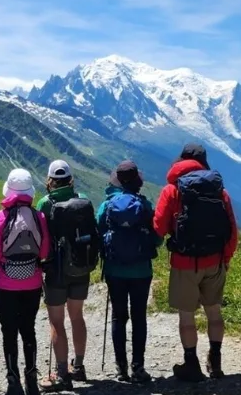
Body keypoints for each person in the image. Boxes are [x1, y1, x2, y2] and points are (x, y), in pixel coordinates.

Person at [154, 143, 238, 382]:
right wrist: (226, 258)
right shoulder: (219, 191)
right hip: (215, 259)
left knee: (187, 316)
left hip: (184, 262)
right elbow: (231, 229)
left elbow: (158, 226)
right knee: (214, 311)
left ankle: (192, 364)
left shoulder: (172, 190)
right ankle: (216, 361)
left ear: (181, 159)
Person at [36, 160, 99, 392]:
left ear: (50, 180)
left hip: (56, 271)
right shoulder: (83, 199)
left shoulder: (45, 203)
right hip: (81, 267)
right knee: (77, 316)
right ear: (70, 179)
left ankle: (62, 374)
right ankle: (79, 366)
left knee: (56, 321)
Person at [97, 161, 161, 384]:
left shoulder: (107, 205)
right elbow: (157, 236)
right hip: (141, 270)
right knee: (139, 317)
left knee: (118, 316)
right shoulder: (144, 205)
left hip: (115, 269)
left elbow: (99, 232)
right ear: (138, 182)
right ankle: (138, 367)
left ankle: (121, 368)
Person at [0, 169, 50, 395]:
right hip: (32, 282)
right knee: (28, 329)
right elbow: (44, 251)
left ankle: (13, 379)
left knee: (9, 331)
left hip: (6, 283)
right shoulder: (38, 216)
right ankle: (31, 377)